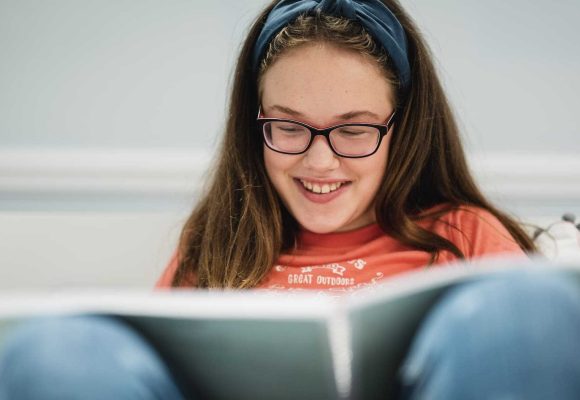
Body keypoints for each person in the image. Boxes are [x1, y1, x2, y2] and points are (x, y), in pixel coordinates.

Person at [2, 1, 580, 399]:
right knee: (58, 346)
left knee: (521, 307)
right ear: (254, 126)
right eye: (288, 126)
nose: (320, 162)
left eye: (354, 129)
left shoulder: (464, 233)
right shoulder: (218, 244)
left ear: (402, 129)